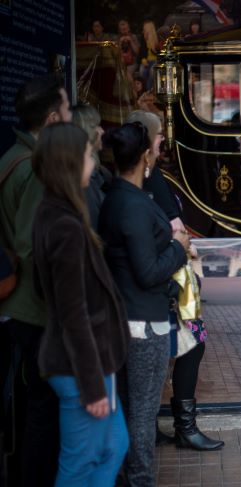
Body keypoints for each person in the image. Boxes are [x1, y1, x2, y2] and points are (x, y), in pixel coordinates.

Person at [32, 122, 130, 487]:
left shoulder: (60, 215)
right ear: (72, 163)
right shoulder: (63, 225)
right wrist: (92, 387)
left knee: (114, 446)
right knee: (80, 463)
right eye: (90, 155)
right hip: (80, 369)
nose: (95, 161)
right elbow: (73, 315)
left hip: (91, 362)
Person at [126, 110, 224, 451]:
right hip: (171, 285)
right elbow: (176, 228)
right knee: (194, 345)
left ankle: (154, 426)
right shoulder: (151, 180)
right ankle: (185, 427)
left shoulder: (134, 179)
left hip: (161, 283)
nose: (163, 143)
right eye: (159, 138)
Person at [99, 123, 189, 486]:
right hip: (142, 321)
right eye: (154, 145)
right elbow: (148, 271)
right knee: (142, 411)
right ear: (143, 156)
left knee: (132, 408)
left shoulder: (116, 196)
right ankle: (139, 480)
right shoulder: (131, 203)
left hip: (128, 316)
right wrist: (179, 249)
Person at [0, 74, 72, 487]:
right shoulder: (34, 168)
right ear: (50, 119)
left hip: (20, 306)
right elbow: (32, 247)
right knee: (41, 412)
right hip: (33, 309)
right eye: (65, 112)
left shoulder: (11, 156)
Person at [71, 104, 110, 226]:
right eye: (97, 126)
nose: (102, 131)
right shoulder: (83, 181)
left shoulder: (101, 173)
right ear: (88, 130)